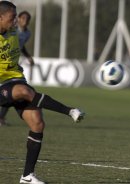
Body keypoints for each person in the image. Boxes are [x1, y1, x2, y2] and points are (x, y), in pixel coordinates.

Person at [0, 1, 85, 183]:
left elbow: (18, 45)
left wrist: (27, 57)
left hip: (16, 79)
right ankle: (70, 111)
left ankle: (27, 176)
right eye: (12, 17)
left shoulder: (16, 31)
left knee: (37, 123)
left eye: (16, 17)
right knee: (25, 91)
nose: (15, 20)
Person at [0, 10, 34, 126]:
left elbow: (21, 46)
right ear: (18, 19)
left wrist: (28, 56)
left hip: (12, 62)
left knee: (12, 92)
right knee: (11, 92)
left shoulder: (27, 33)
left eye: (27, 20)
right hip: (4, 62)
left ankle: (1, 118)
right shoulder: (10, 29)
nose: (25, 21)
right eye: (23, 18)